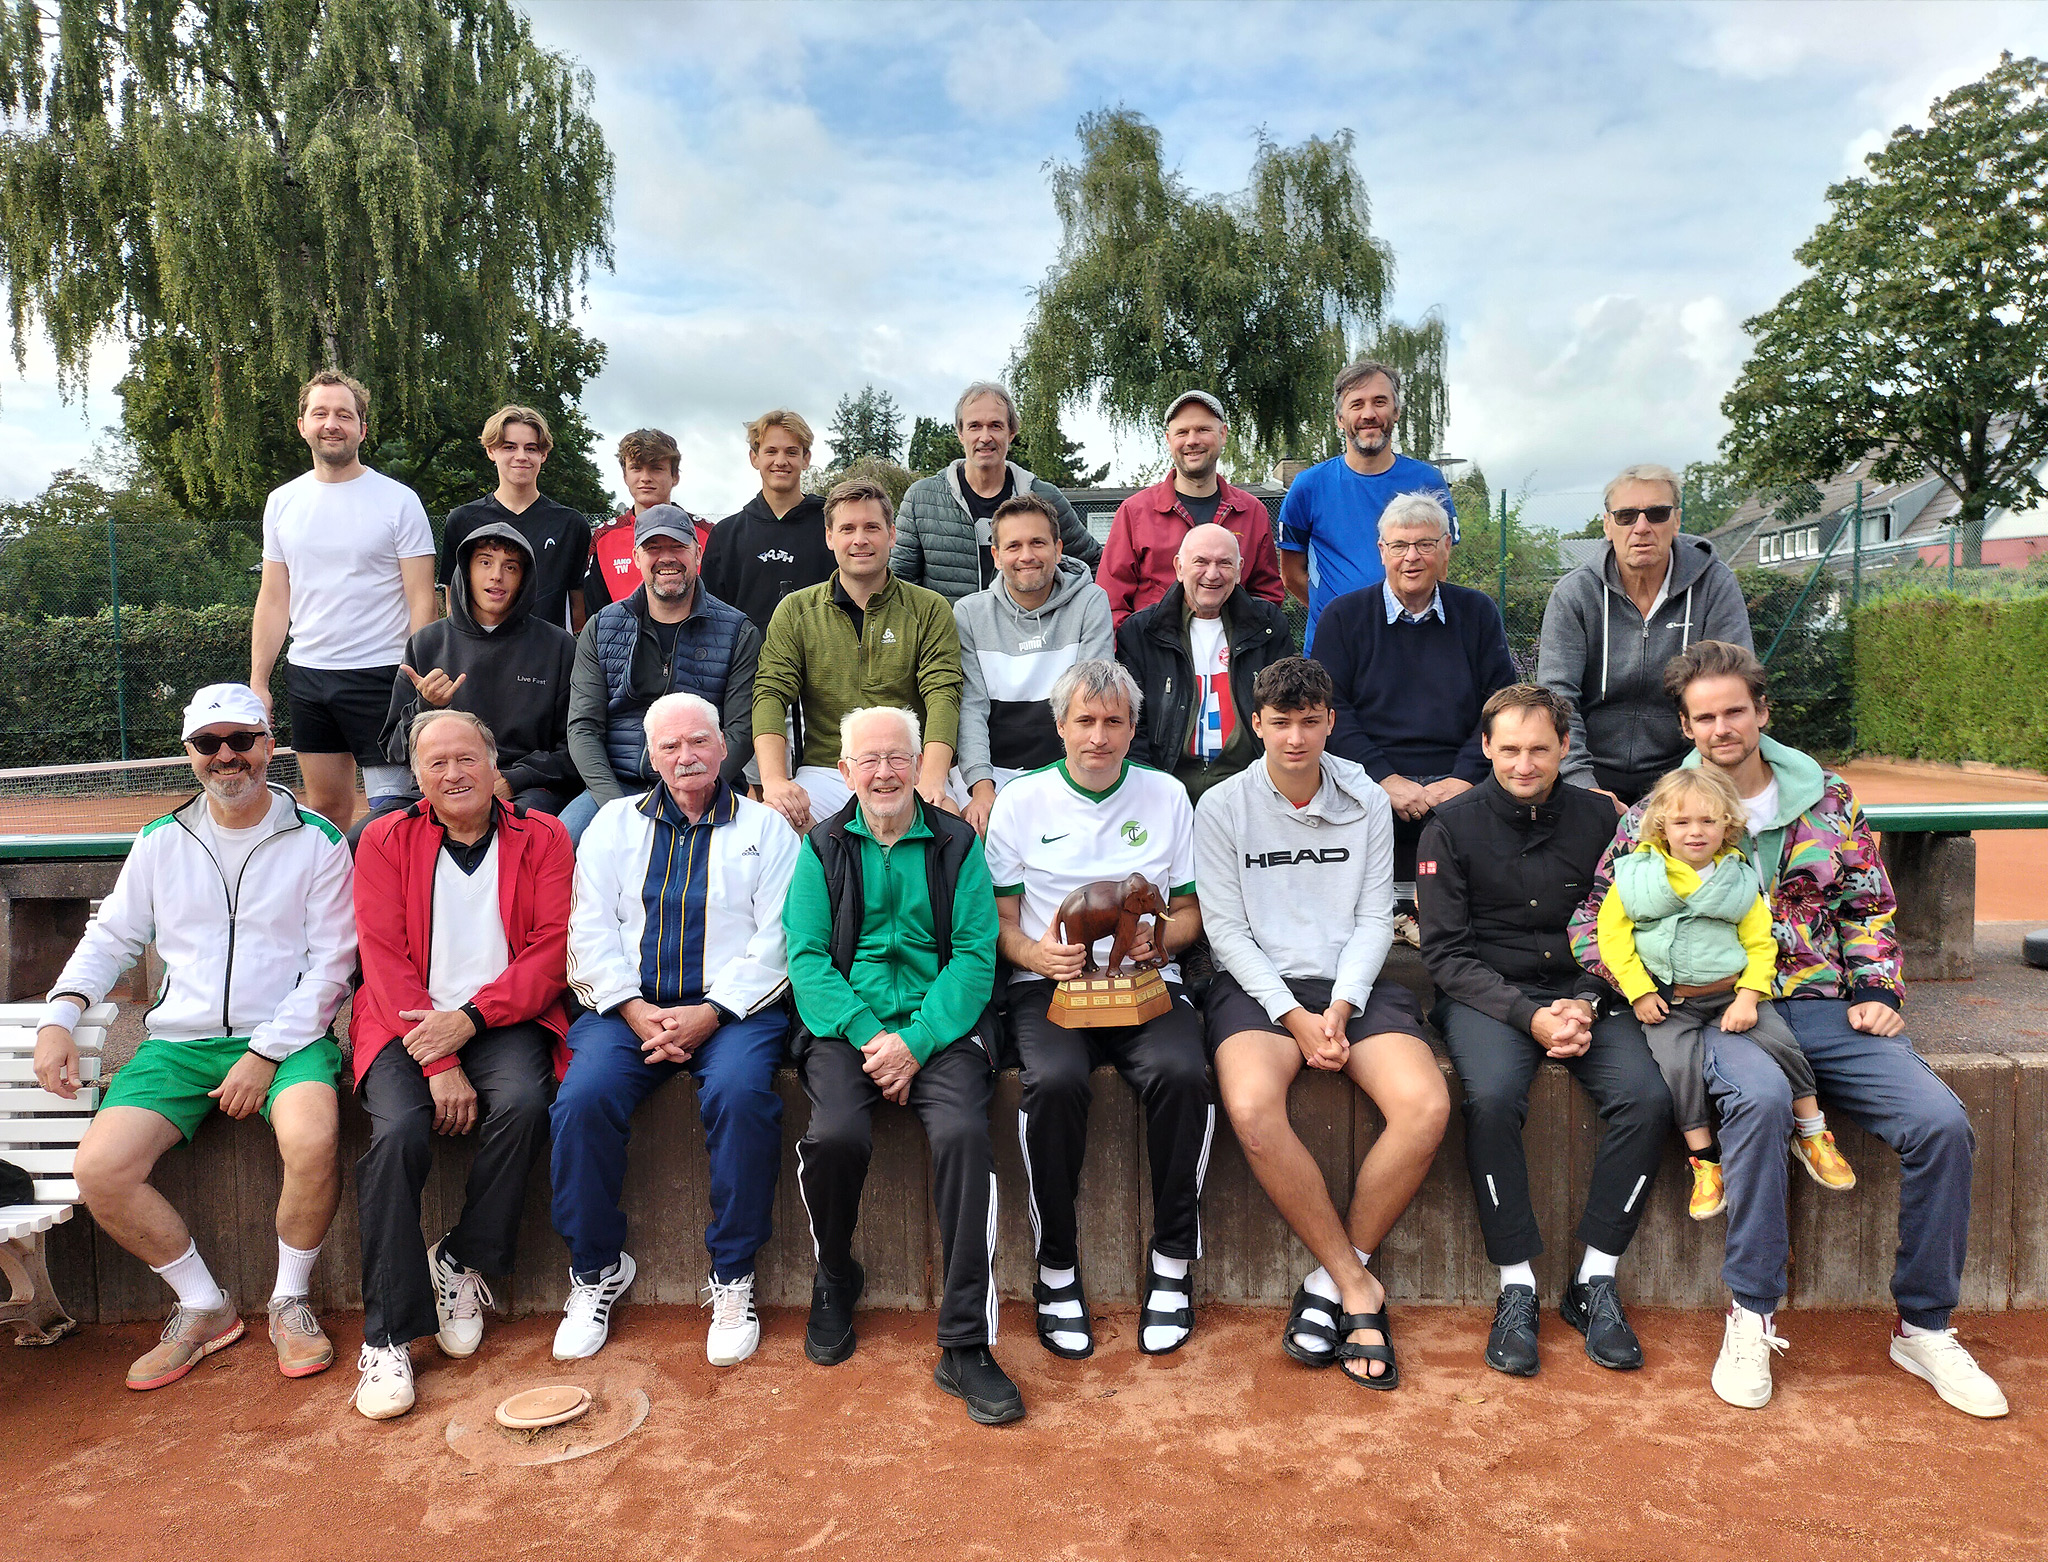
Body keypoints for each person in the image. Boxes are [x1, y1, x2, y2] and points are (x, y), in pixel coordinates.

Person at [1569, 640, 2008, 1418]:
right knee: (1762, 1102)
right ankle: (1751, 1314)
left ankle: (1925, 1326)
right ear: (1685, 726)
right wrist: (1653, 987)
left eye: (1735, 711)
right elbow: (1594, 919)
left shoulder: (1829, 799)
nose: (1722, 728)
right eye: (1704, 716)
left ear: (1762, 712)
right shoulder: (1660, 812)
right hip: (1725, 1011)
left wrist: (1877, 988)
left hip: (1827, 1004)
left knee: (1941, 1124)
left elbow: (1868, 905)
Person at [32, 684, 355, 1390]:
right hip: (177, 1043)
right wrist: (60, 1015)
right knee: (101, 1168)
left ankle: (290, 1300)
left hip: (288, 1037)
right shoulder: (159, 841)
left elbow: (332, 966)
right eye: (209, 743)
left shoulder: (320, 841)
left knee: (312, 1137)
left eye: (242, 740)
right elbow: (111, 937)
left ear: (269, 745)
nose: (226, 756)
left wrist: (264, 1053)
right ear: (190, 753)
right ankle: (204, 1306)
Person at [1195, 657, 1449, 1388]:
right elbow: (1226, 931)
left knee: (1427, 1106)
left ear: (1331, 722)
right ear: (1256, 724)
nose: (1296, 737)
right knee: (1251, 1107)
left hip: (1352, 987)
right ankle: (1358, 1287)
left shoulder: (1365, 795)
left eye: (1310, 721)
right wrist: (1293, 1015)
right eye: (1281, 722)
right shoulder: (1221, 806)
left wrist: (1339, 1007)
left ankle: (1334, 1277)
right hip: (1259, 989)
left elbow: (1375, 916)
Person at [1415, 683, 1671, 1379]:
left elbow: (1629, 924)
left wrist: (1584, 1001)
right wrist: (1529, 1016)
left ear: (1564, 747)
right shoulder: (1449, 826)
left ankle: (1595, 1279)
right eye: (1509, 749)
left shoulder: (1605, 818)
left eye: (1538, 749)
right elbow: (1445, 956)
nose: (1523, 764)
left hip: (1593, 988)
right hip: (1488, 997)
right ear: (1486, 747)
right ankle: (1517, 1284)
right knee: (1492, 1098)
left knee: (1649, 1098)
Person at [784, 706, 1022, 1426]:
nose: (884, 772)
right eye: (870, 759)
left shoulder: (957, 843)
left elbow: (976, 956)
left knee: (964, 1138)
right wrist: (870, 1035)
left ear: (920, 766)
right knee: (833, 1137)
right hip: (846, 1029)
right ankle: (835, 1274)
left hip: (942, 1028)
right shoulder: (821, 847)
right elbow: (807, 959)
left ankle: (965, 1342)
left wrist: (916, 1041)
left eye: (897, 758)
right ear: (844, 771)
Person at [549, 693, 798, 1365]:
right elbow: (589, 929)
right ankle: (595, 1269)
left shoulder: (768, 829)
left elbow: (778, 938)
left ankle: (733, 1276)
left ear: (723, 747)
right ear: (650, 756)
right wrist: (634, 1011)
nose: (686, 756)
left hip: (732, 1013)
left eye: (699, 741)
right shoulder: (612, 824)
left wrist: (709, 1014)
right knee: (580, 1101)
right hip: (629, 1010)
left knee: (742, 1098)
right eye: (670, 746)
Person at [347, 710, 573, 1420]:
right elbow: (381, 955)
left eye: (467, 758)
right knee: (399, 1132)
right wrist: (439, 1053)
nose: (454, 773)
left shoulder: (545, 835)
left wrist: (471, 1018)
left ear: (493, 761)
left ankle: (462, 1259)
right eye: (437, 762)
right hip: (403, 1019)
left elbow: (551, 950)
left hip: (500, 1017)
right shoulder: (384, 837)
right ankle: (386, 1337)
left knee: (527, 1103)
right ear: (416, 775)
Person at [985, 659, 1211, 1359]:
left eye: (1114, 722)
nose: (1098, 736)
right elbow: (1001, 922)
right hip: (1051, 987)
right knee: (1054, 1084)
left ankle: (1172, 1261)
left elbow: (1189, 912)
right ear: (1059, 726)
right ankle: (1056, 1268)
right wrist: (1035, 955)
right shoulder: (1020, 801)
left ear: (1133, 728)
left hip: (1145, 982)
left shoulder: (1167, 795)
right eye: (1084, 720)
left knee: (1184, 1074)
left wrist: (1159, 943)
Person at [1593, 765, 1856, 1224]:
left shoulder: (1738, 877)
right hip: (1670, 1002)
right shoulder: (1635, 875)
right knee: (1676, 1068)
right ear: (1662, 827)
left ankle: (1813, 1132)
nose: (1695, 832)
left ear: (1727, 825)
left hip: (1729, 995)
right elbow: (1612, 939)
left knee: (1782, 1044)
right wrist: (1638, 993)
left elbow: (1760, 943)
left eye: (1708, 821)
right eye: (1682, 822)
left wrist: (1749, 998)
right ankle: (1704, 1160)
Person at [251, 370, 436, 829]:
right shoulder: (281, 501)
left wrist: (419, 678)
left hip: (385, 677)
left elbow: (422, 599)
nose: (331, 424)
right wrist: (259, 681)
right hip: (309, 678)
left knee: (394, 814)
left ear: (362, 429)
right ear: (302, 425)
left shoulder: (399, 501)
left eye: (344, 415)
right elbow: (273, 598)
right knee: (326, 813)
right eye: (320, 413)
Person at [1313, 491, 1516, 881]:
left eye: (1425, 544)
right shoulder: (1343, 617)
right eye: (1399, 546)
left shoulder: (1477, 613)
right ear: (1382, 551)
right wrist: (1383, 780)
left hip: (1463, 780)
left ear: (1445, 548)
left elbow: (1500, 708)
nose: (1411, 557)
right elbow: (1332, 712)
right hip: (1367, 782)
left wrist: (1462, 779)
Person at [753, 477, 964, 832]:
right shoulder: (796, 611)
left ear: (892, 534)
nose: (860, 539)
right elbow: (770, 694)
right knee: (776, 821)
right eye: (847, 528)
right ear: (829, 537)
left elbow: (943, 693)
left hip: (908, 768)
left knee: (950, 826)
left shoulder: (929, 608)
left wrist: (931, 777)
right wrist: (774, 781)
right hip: (828, 770)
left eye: (872, 527)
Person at [1537, 463, 1753, 805]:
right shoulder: (1574, 593)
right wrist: (1583, 788)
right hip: (1589, 768)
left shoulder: (1715, 585)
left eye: (1657, 514)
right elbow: (1558, 699)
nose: (1641, 527)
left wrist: (1694, 785)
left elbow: (1732, 691)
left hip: (1688, 770)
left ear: (1676, 521)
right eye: (1626, 516)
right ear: (1608, 525)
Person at [561, 504, 758, 845]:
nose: (667, 558)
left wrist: (690, 790)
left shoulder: (738, 631)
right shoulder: (601, 628)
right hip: (618, 786)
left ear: (697, 554)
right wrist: (614, 805)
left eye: (678, 546)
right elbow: (583, 727)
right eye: (653, 548)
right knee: (563, 842)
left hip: (706, 785)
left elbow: (741, 730)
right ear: (636, 558)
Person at [373, 523, 579, 826]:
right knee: (363, 838)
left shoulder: (558, 646)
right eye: (485, 562)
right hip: (442, 788)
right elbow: (395, 749)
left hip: (527, 790)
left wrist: (515, 779)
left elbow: (576, 746)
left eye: (510, 566)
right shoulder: (426, 643)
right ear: (466, 571)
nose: (497, 575)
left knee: (513, 831)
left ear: (524, 578)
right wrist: (426, 707)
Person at [953, 493, 1114, 834]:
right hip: (993, 770)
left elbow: (1092, 700)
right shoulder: (969, 613)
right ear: (996, 556)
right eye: (1014, 546)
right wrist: (981, 787)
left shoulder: (1090, 602)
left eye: (1037, 543)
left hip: (1067, 768)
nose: (1026, 556)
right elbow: (971, 708)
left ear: (1058, 549)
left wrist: (1071, 782)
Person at [1276, 358, 1458, 656]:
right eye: (1357, 404)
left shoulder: (1428, 482)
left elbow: (1438, 565)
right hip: (1333, 649)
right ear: (1340, 418)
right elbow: (1291, 574)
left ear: (1396, 412)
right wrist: (1340, 614)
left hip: (1410, 647)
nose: (1369, 414)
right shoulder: (1308, 486)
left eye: (1380, 402)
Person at [1116, 522, 1293, 804]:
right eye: (1201, 562)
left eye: (1225, 563)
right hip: (1168, 785)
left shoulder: (1268, 626)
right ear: (1179, 567)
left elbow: (1287, 711)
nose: (1212, 574)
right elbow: (1132, 726)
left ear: (1240, 570)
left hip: (1251, 786)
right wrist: (1151, 790)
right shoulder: (1140, 633)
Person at [891, 380, 1101, 602]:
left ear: (1011, 432)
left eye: (995, 426)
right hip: (949, 626)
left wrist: (1067, 613)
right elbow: (900, 584)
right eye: (974, 426)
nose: (985, 437)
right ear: (960, 433)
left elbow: (1095, 564)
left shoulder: (1046, 499)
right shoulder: (921, 500)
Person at [1095, 390, 1284, 627]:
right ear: (1168, 439)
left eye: (1203, 429)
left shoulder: (1252, 512)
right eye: (1182, 432)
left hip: (1233, 648)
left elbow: (1267, 595)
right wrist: (1137, 645)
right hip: (1153, 647)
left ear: (1223, 434)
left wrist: (1248, 641)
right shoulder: (1135, 513)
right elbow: (1110, 603)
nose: (1192, 440)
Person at [438, 405, 593, 633]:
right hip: (480, 650)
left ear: (543, 454)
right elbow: (454, 605)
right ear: (491, 451)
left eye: (531, 448)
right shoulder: (462, 520)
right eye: (509, 447)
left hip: (547, 651)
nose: (521, 456)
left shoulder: (571, 524)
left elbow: (579, 613)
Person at [700, 409, 834, 636]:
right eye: (771, 451)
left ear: (806, 459)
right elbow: (711, 616)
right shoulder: (726, 535)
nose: (780, 461)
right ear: (754, 458)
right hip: (747, 658)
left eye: (791, 452)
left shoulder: (832, 528)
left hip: (820, 655)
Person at [586, 428, 712, 609]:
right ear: (625, 476)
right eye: (636, 468)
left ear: (675, 476)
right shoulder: (604, 538)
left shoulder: (707, 534)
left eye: (656, 468)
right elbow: (594, 610)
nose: (645, 478)